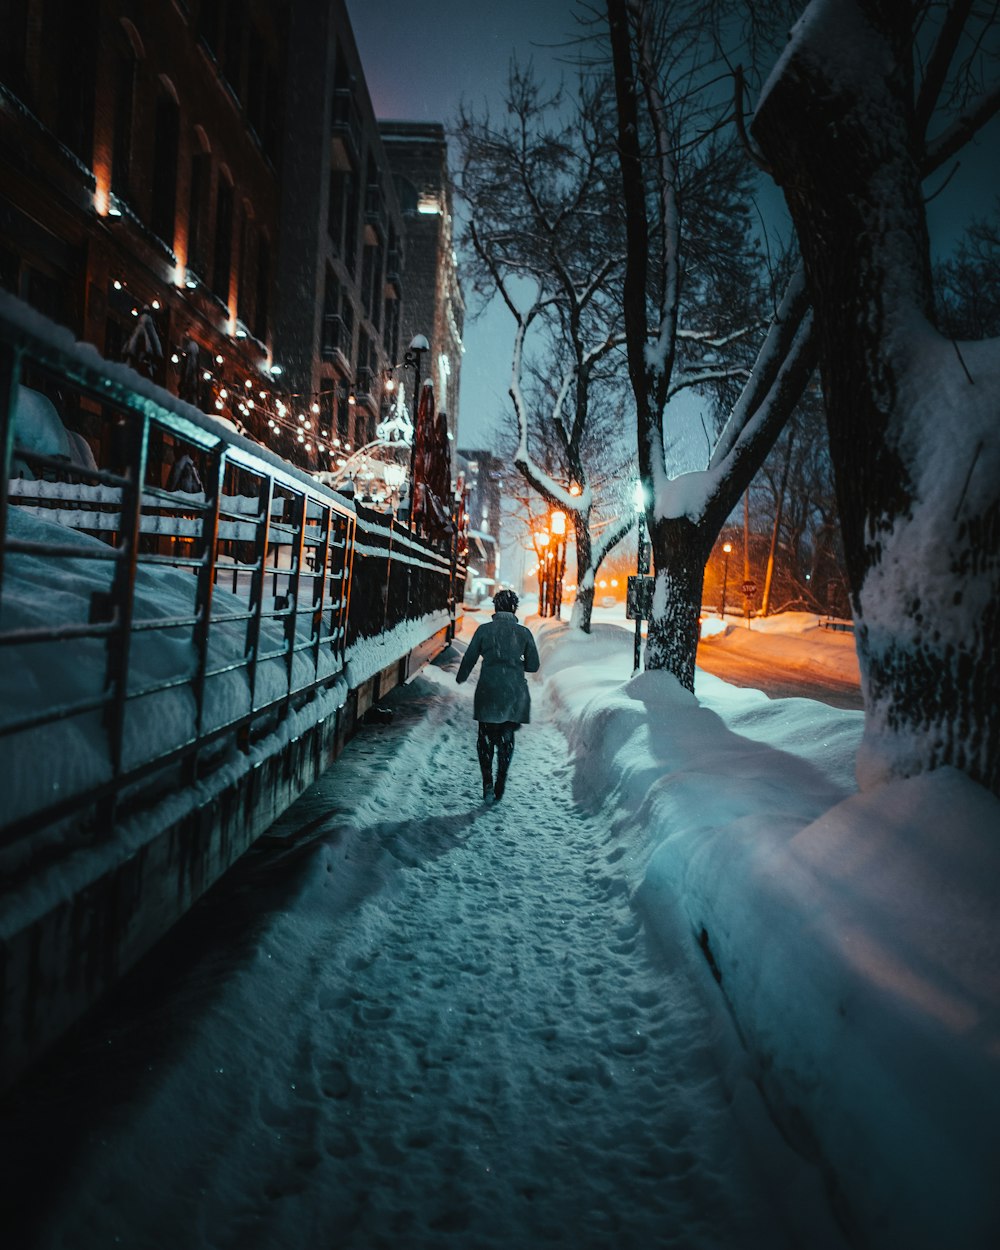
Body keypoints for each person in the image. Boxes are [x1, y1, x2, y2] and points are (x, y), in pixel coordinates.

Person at [456, 589, 540, 802]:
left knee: (485, 737)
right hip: (513, 693)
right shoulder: (523, 633)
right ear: (514, 608)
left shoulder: (484, 631)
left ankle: (487, 782)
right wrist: (516, 662)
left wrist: (461, 677)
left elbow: (469, 658)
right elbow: (533, 665)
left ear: (496, 607)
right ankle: (501, 780)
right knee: (506, 738)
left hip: (488, 691)